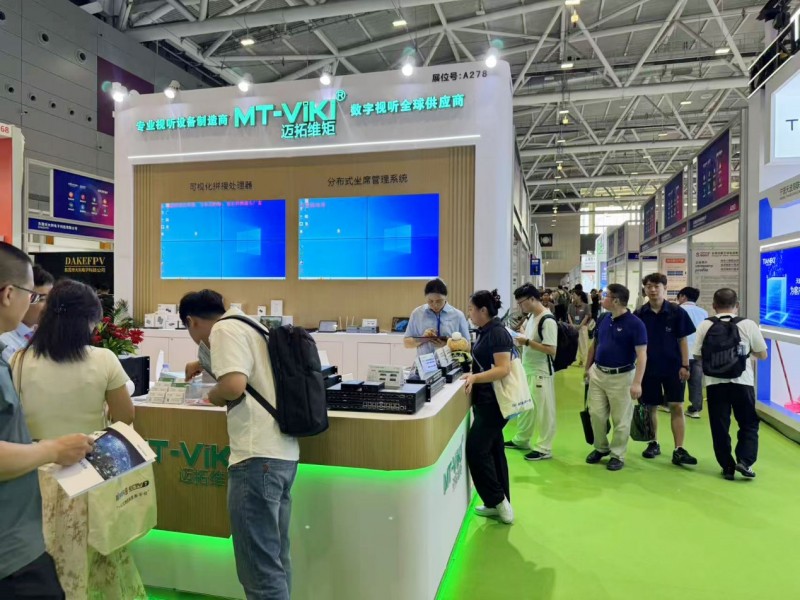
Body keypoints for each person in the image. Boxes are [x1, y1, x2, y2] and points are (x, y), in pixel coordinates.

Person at [12, 278, 142, 598]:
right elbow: (125, 417)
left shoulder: (20, 360)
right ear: (88, 321)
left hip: (33, 475)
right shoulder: (103, 359)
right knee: (96, 560)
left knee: (42, 557)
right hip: (89, 473)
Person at [180, 290, 299, 599]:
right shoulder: (251, 326)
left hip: (255, 458)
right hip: (282, 453)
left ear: (191, 321)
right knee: (275, 559)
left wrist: (212, 395)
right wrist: (203, 362)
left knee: (258, 569)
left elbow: (234, 386)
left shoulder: (223, 329)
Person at [0, 242, 94, 599]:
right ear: (9, 294)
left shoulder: (13, 358)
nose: (34, 304)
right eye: (32, 295)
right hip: (11, 555)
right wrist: (52, 450)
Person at [693, 288, 768, 480]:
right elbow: (763, 354)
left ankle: (727, 466)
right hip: (743, 382)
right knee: (748, 423)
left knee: (719, 425)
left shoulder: (705, 325)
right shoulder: (748, 324)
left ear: (714, 305)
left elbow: (698, 355)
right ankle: (745, 461)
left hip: (715, 383)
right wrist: (743, 353)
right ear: (737, 305)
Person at [461, 290, 514, 524]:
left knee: (476, 450)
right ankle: (499, 503)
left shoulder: (498, 333)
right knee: (494, 449)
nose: (469, 313)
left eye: (471, 309)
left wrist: (475, 378)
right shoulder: (485, 331)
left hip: (494, 403)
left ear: (483, 310)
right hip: (485, 401)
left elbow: (503, 369)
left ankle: (498, 500)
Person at [635, 273, 698, 466]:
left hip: (674, 368)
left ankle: (679, 448)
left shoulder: (677, 312)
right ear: (645, 289)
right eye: (649, 286)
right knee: (650, 407)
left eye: (657, 286)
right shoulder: (639, 314)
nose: (653, 290)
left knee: (677, 405)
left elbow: (682, 340)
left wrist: (685, 365)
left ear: (665, 288)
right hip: (649, 369)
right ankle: (653, 442)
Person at [584, 283, 648, 471]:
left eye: (606, 296)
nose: (602, 298)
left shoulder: (636, 324)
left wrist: (637, 383)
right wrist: (587, 368)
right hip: (598, 374)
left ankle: (617, 454)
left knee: (621, 419)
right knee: (596, 414)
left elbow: (642, 355)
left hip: (622, 377)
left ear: (616, 301)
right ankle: (601, 447)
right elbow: (595, 344)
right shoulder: (604, 318)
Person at [505, 284, 558, 461]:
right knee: (526, 407)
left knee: (544, 410)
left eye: (522, 302)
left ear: (532, 299)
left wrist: (526, 342)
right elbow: (529, 338)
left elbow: (551, 349)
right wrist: (519, 335)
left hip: (541, 371)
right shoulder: (532, 317)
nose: (520, 306)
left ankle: (544, 447)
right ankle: (522, 439)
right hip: (528, 368)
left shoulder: (547, 320)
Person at [0, 264, 54, 362]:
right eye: (42, 299)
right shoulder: (4, 339)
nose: (49, 306)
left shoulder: (44, 334)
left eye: (52, 300)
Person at [404, 278, 471, 356]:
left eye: (439, 301)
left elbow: (468, 347)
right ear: (425, 297)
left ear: (445, 297)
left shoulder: (458, 315)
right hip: (425, 362)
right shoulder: (417, 313)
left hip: (450, 362)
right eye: (430, 301)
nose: (435, 305)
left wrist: (447, 344)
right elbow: (406, 343)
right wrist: (423, 338)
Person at [677, 287, 708, 419]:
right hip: (698, 352)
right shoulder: (704, 312)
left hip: (680, 352)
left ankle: (671, 404)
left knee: (677, 380)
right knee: (696, 382)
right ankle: (695, 409)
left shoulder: (678, 310)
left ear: (683, 296)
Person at [569, 291, 592, 367]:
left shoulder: (586, 306)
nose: (572, 296)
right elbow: (568, 315)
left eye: (574, 295)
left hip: (582, 327)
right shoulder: (571, 305)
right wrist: (571, 324)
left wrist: (580, 325)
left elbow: (587, 316)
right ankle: (571, 359)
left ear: (579, 296)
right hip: (572, 327)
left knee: (583, 344)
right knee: (572, 344)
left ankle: (582, 360)